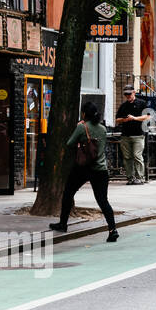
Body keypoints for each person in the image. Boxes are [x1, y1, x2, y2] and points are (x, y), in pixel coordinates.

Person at [50, 101, 119, 242]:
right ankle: (113, 230)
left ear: (84, 114)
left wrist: (80, 140)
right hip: (101, 169)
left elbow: (69, 143)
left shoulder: (82, 127)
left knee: (68, 193)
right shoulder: (103, 129)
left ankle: (63, 224)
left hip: (83, 168)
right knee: (103, 201)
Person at [115, 85, 150, 184]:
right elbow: (117, 119)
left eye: (129, 94)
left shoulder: (142, 103)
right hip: (125, 135)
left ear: (134, 92)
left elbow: (147, 117)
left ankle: (140, 177)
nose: (128, 96)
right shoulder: (123, 106)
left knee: (137, 156)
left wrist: (134, 118)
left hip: (138, 135)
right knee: (127, 157)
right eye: (126, 94)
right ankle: (130, 178)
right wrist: (125, 119)